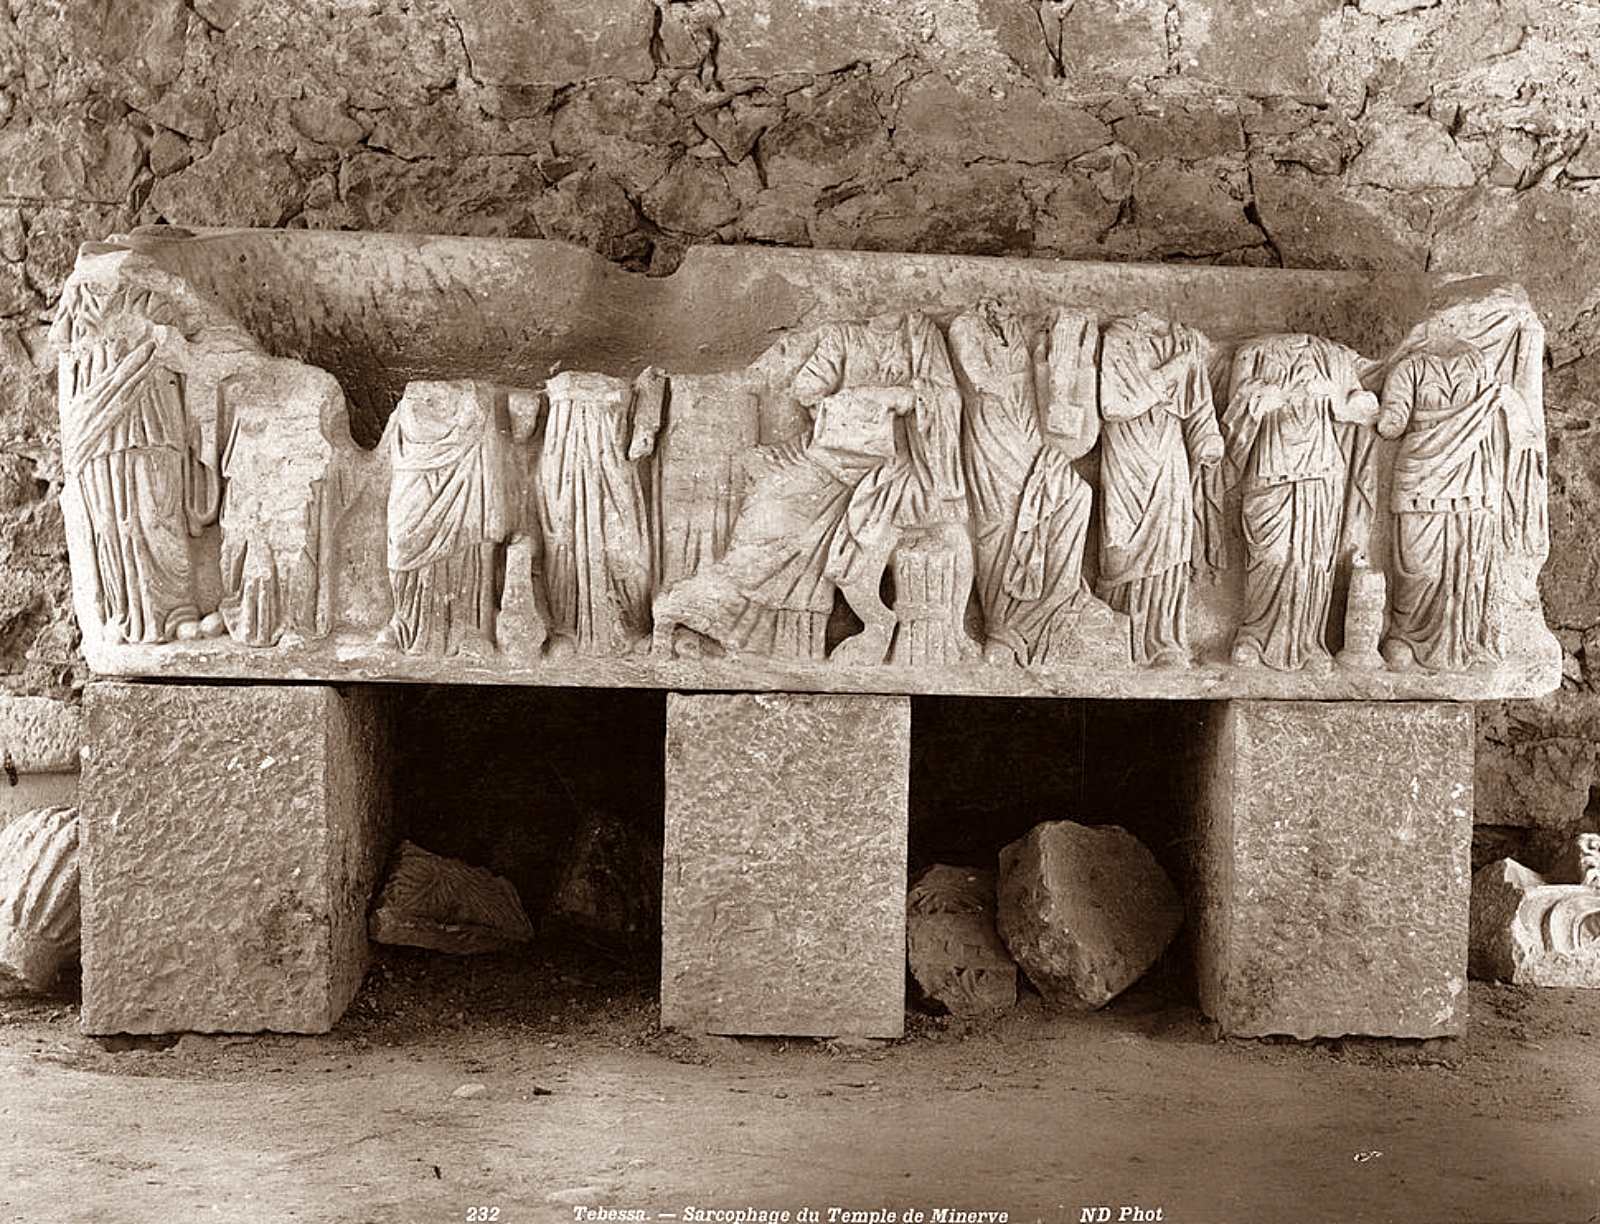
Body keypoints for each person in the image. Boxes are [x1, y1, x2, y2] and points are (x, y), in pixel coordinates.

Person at [53, 270, 221, 645]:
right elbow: (68, 359)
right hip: (99, 423)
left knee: (158, 512)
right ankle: (124, 612)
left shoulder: (153, 296)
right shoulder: (77, 303)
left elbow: (189, 350)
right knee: (112, 520)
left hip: (155, 415)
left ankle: (177, 611)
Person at [948, 303, 1097, 666]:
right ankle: (1002, 629)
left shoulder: (1018, 331)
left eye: (1006, 307)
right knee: (1000, 523)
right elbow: (978, 378)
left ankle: (1049, 616)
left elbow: (1048, 378)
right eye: (994, 306)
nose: (1001, 309)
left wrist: (1061, 351)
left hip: (1029, 427)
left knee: (1072, 497)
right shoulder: (964, 327)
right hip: (991, 430)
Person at [1222, 333, 1379, 672]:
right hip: (1270, 468)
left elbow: (1365, 408)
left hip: (1320, 472)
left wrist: (1334, 396)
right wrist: (1269, 397)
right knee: (1271, 556)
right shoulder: (1254, 351)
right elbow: (1234, 414)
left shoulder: (1333, 357)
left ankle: (1308, 643)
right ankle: (1254, 636)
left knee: (1313, 560)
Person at [1377, 341, 1528, 671]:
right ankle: (1404, 636)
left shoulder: (1477, 364)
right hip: (1419, 471)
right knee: (1416, 565)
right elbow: (1392, 424)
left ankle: (1461, 640)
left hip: (1468, 475)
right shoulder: (1408, 368)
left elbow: (1493, 417)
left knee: (1463, 558)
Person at [1096, 313, 1223, 668]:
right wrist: (1172, 370)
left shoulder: (1183, 344)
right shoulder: (1119, 338)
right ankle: (1117, 631)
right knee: (1120, 546)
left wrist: (1207, 439)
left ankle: (1163, 638)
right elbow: (1115, 405)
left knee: (1170, 541)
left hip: (1168, 447)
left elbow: (1199, 406)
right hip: (1126, 450)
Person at [378, 380, 513, 656]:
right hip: (413, 469)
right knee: (402, 545)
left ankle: (464, 628)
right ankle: (404, 623)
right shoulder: (407, 409)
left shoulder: (476, 401)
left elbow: (489, 451)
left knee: (462, 549)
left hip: (462, 472)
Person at [538, 370, 657, 657]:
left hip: (610, 437)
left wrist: (643, 419)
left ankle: (633, 625)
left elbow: (651, 394)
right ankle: (566, 626)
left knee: (627, 545)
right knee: (566, 537)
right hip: (565, 436)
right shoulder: (560, 418)